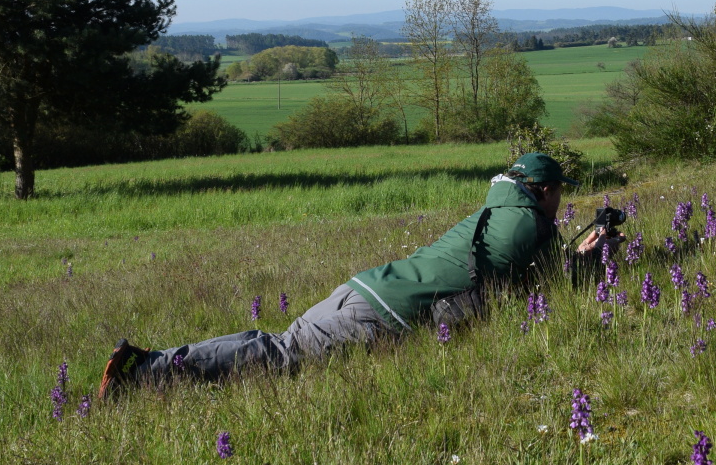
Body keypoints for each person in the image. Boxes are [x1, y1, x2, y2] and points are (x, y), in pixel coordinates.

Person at [98, 151, 605, 400]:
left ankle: (155, 364)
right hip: (380, 314)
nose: (562, 200)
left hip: (365, 288)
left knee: (275, 343)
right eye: (559, 191)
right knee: (279, 355)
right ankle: (147, 372)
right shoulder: (528, 223)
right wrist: (590, 258)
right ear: (541, 191)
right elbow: (552, 289)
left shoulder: (492, 213)